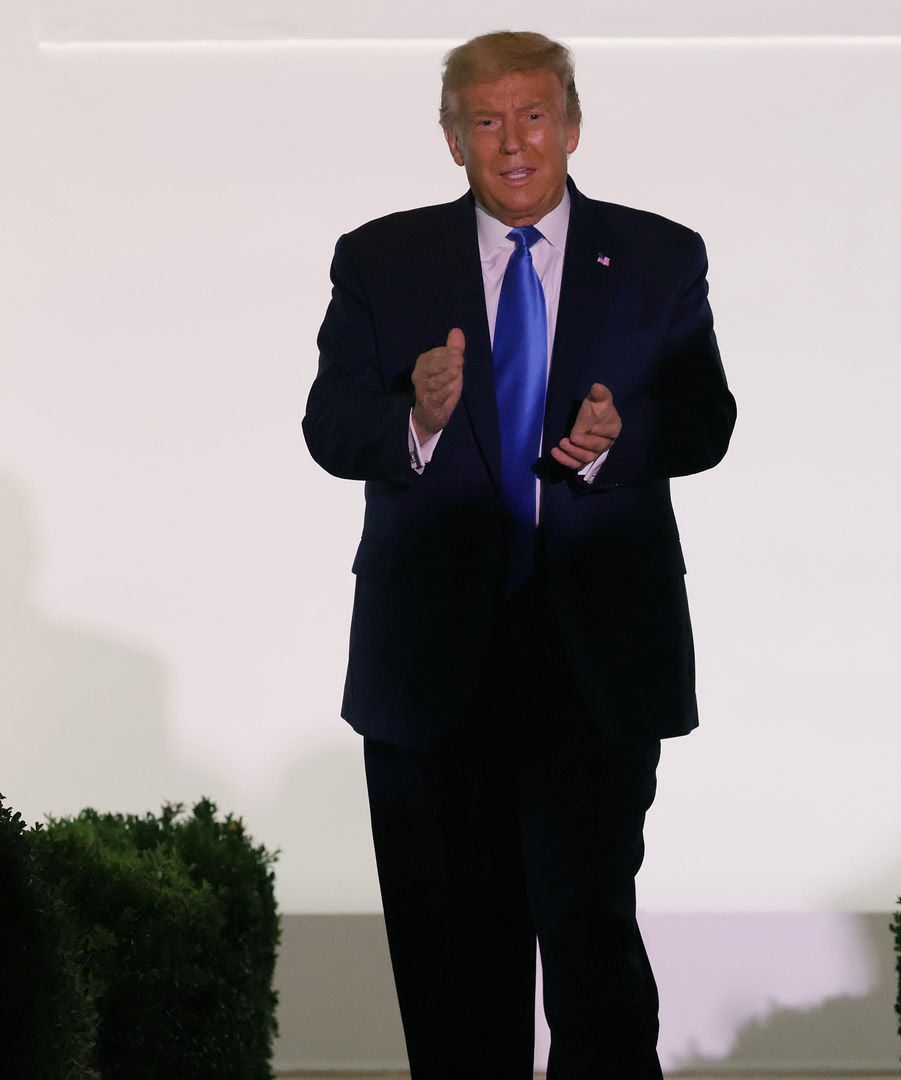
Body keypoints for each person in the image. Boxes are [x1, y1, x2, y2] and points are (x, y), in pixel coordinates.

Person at [301, 30, 735, 1078]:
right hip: (432, 665)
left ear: (573, 125)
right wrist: (415, 414)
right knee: (455, 970)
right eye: (486, 121)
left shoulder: (658, 257)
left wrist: (622, 437)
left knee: (592, 952)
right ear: (453, 140)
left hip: (593, 661)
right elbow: (328, 426)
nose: (514, 142)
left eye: (532, 116)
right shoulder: (381, 259)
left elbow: (706, 418)